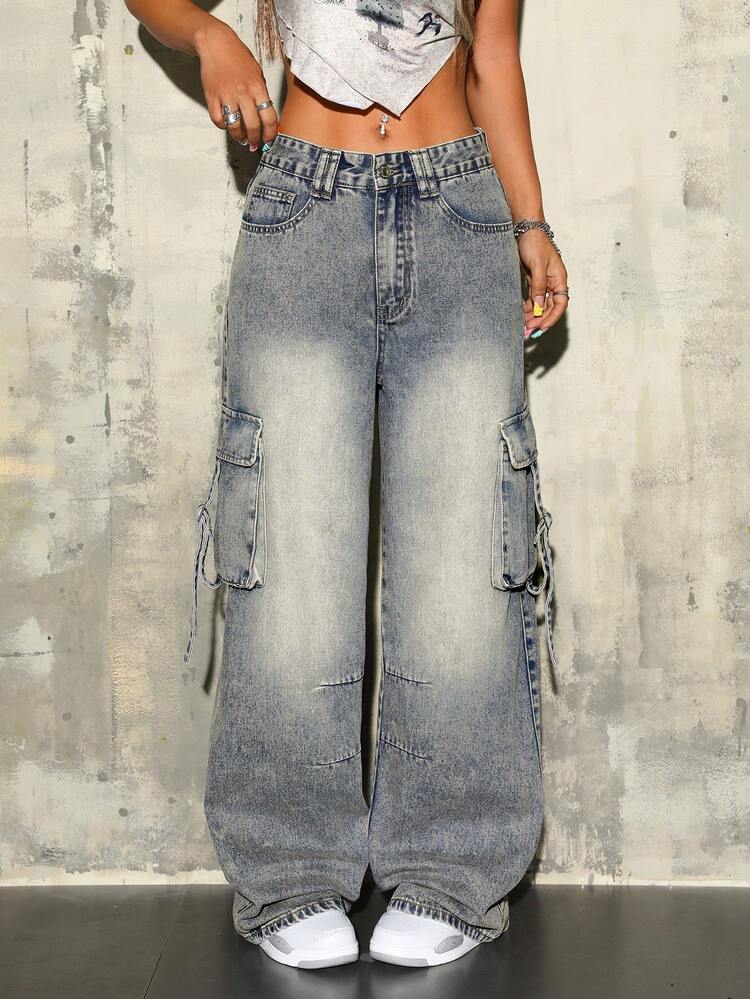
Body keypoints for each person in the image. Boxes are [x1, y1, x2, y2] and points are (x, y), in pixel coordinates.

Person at [125, 0, 568, 970]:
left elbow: (493, 57)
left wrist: (530, 220)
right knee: (291, 547)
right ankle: (291, 869)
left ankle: (451, 866)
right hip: (304, 207)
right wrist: (210, 35)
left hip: (462, 207)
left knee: (463, 558)